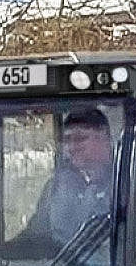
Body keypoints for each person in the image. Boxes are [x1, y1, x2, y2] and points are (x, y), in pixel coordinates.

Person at [6, 109, 116, 256]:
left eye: (80, 139)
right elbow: (35, 235)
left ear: (104, 137)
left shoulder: (131, 186)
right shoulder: (55, 187)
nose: (72, 148)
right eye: (67, 140)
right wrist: (2, 254)